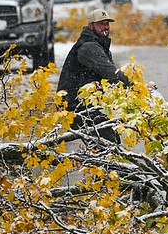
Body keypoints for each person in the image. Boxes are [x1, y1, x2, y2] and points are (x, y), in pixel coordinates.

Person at [56, 8, 132, 143]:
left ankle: (93, 159)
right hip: (74, 107)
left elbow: (111, 80)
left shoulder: (97, 44)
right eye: (101, 23)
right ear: (91, 25)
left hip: (85, 105)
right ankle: (98, 161)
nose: (106, 27)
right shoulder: (89, 48)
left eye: (107, 23)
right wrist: (136, 86)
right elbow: (112, 74)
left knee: (106, 138)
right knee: (108, 139)